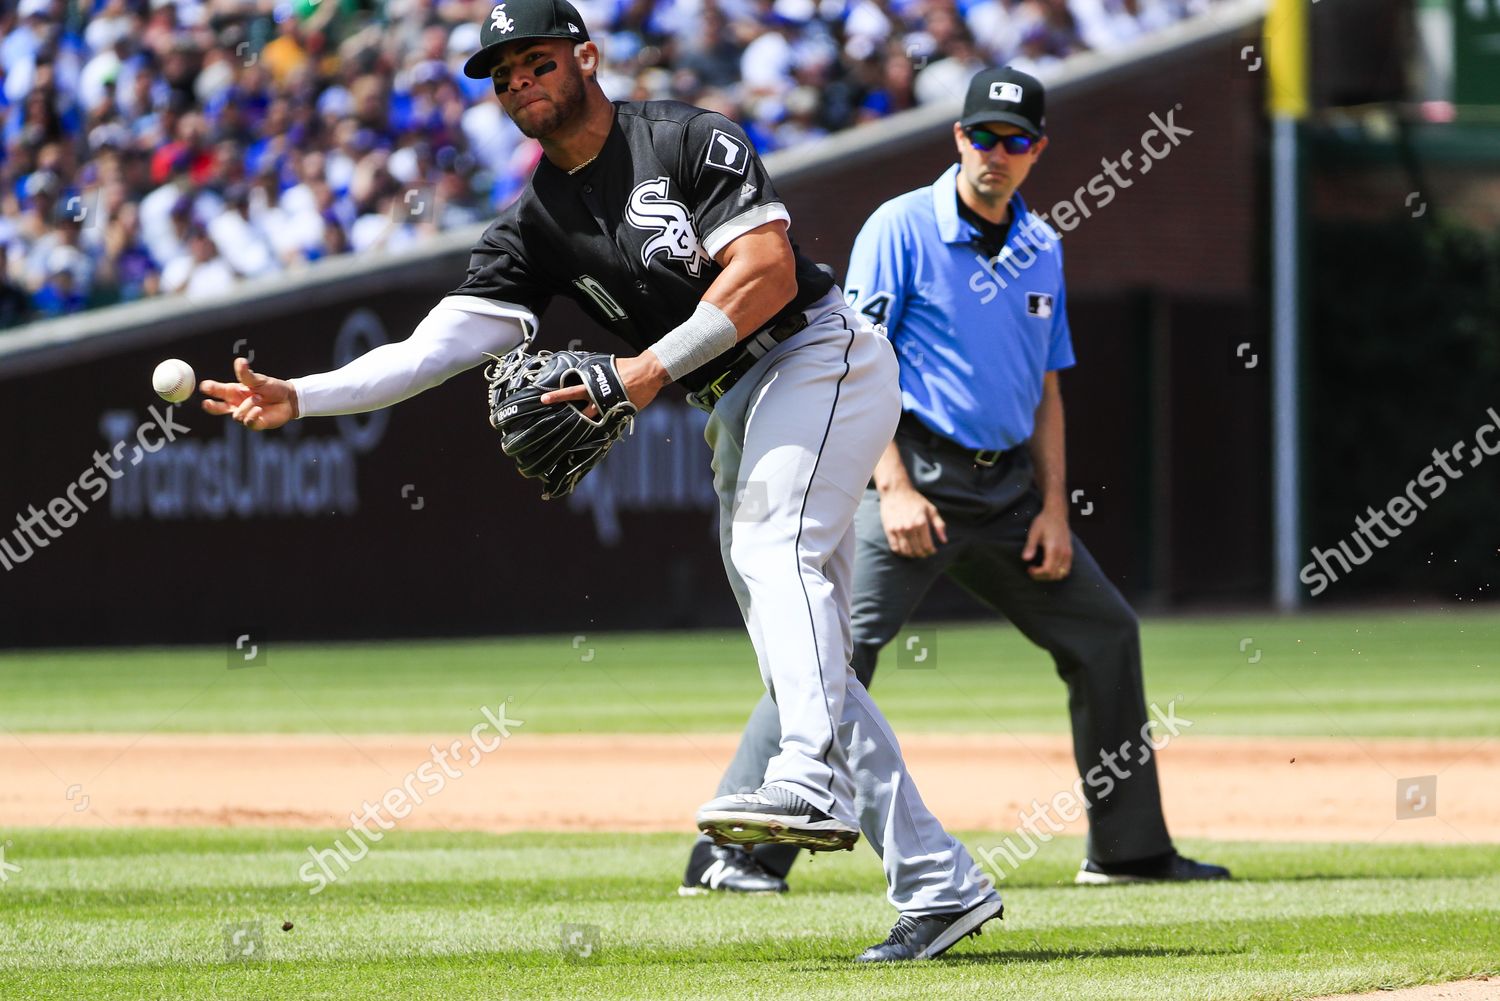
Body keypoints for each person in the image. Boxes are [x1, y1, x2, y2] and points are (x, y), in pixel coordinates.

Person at [199, 0, 1000, 963]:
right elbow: (433, 349)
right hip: (733, 402)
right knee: (802, 655)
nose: (517, 83)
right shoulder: (538, 221)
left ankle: (805, 772)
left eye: (533, 60)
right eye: (501, 75)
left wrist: (641, 374)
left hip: (820, 357)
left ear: (585, 56)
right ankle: (938, 880)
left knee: (770, 553)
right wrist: (304, 394)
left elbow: (769, 272)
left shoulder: (687, 138)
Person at [679, 66, 1228, 897]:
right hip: (912, 477)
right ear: (957, 137)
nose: (995, 153)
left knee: (1107, 632)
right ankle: (735, 856)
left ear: (1038, 151)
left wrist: (1052, 509)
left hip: (1008, 495)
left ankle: (1127, 850)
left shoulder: (1044, 245)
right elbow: (844, 363)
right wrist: (890, 485)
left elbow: (1047, 388)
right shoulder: (899, 227)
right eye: (982, 135)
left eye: (1015, 141)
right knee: (831, 649)